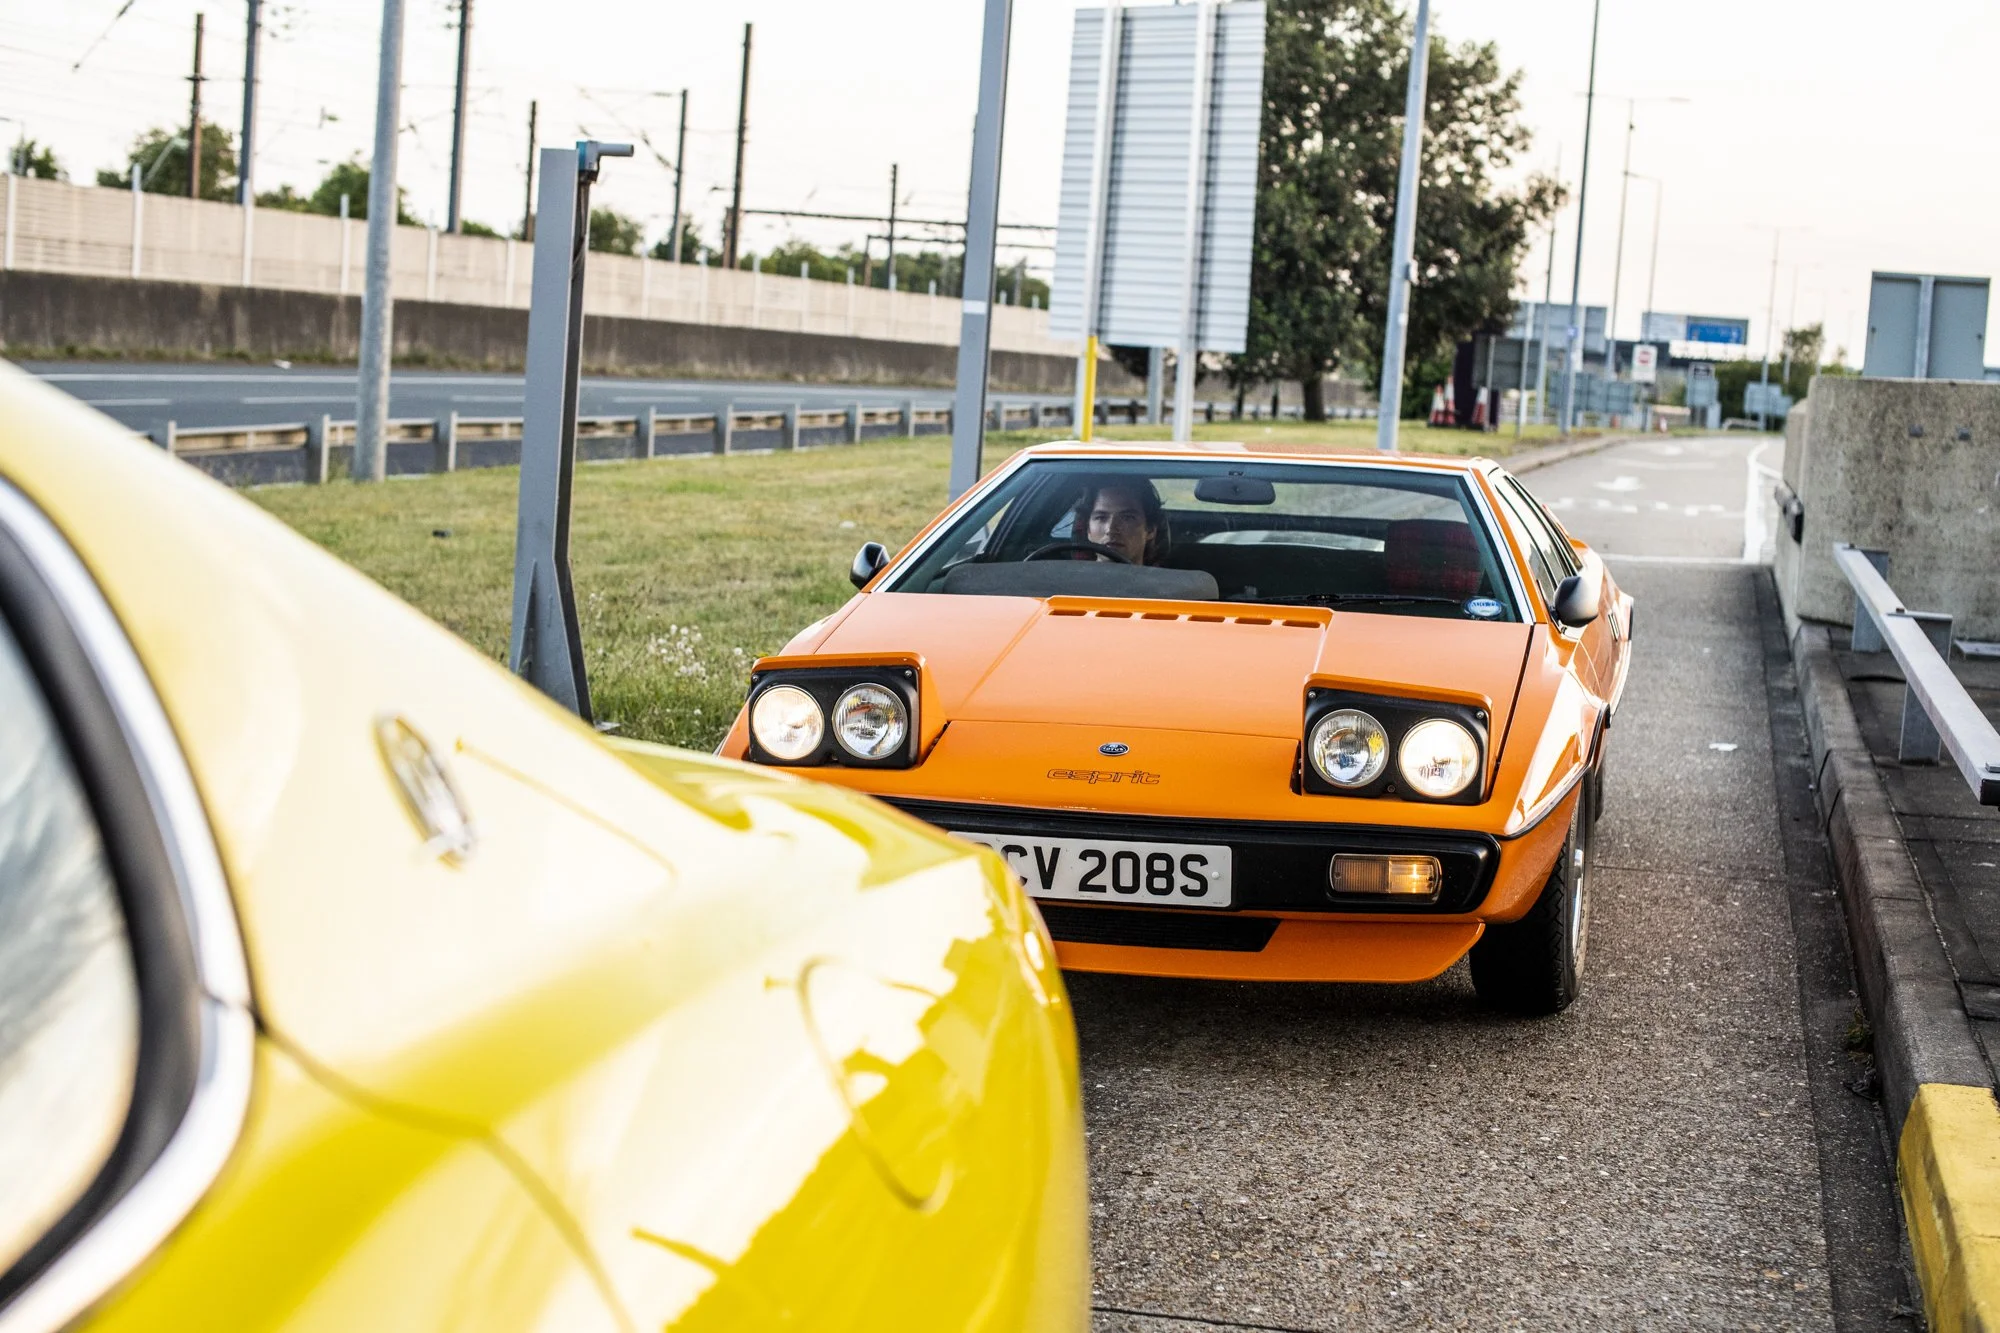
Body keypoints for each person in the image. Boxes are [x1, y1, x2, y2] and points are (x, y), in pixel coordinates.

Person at [1068, 478, 1169, 565]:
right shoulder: (1067, 584)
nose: (1111, 529)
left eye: (1127, 518)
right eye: (1101, 518)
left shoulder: (1166, 587)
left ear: (1150, 530)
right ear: (1088, 529)